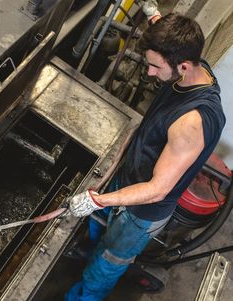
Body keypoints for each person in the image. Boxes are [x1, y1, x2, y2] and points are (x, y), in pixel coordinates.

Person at [64, 5, 226, 301]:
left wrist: (96, 200)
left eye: (155, 67)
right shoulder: (187, 58)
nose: (149, 73)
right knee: (98, 230)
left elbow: (156, 190)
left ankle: (83, 297)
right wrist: (151, 11)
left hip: (143, 210)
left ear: (184, 66)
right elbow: (161, 28)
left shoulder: (192, 122)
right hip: (130, 174)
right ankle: (88, 249)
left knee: (107, 262)